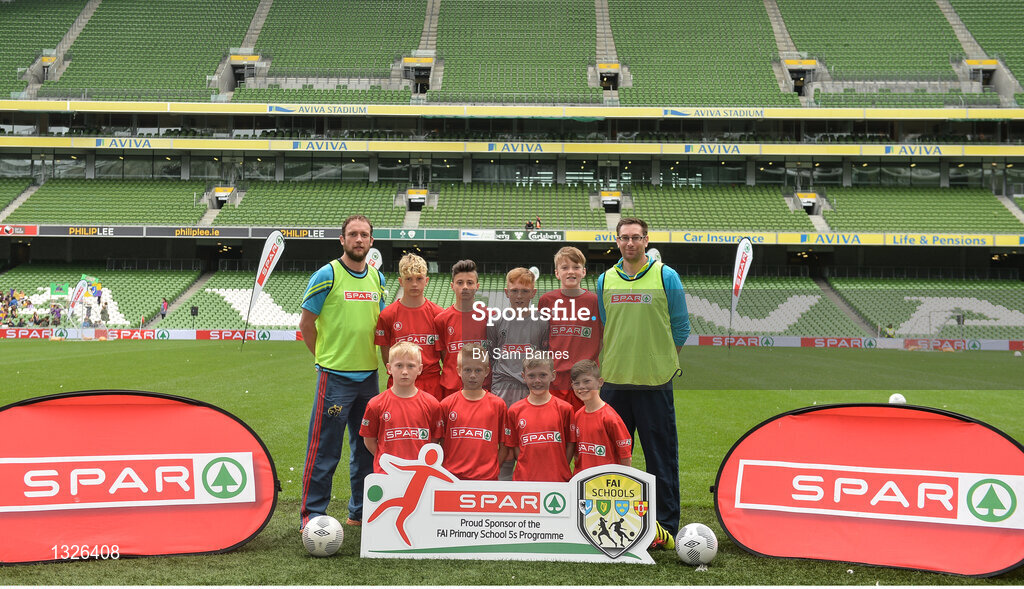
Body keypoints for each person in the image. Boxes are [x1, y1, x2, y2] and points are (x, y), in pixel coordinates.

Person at [596, 216, 689, 546]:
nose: (630, 243)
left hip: (654, 382)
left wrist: (662, 360)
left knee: (660, 456)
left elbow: (681, 327)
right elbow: (608, 325)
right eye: (624, 238)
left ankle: (664, 526)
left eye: (636, 237)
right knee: (613, 456)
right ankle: (609, 520)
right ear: (617, 241)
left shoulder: (666, 276)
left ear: (646, 240)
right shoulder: (605, 279)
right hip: (615, 383)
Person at [298, 214, 387, 530]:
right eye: (353, 234)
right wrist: (325, 359)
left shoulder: (378, 279)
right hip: (335, 379)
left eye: (364, 235)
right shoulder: (327, 275)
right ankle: (312, 515)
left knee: (367, 450)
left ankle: (360, 512)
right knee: (325, 451)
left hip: (368, 379)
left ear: (371, 241)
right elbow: (306, 325)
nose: (359, 240)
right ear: (342, 240)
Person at [488, 267, 549, 479]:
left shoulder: (543, 321)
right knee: (504, 441)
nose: (519, 296)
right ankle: (502, 483)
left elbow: (544, 355)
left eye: (524, 291)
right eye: (514, 291)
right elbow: (492, 354)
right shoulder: (496, 321)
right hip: (502, 388)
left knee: (528, 439)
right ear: (506, 292)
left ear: (533, 292)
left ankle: (528, 484)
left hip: (529, 390)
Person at [360, 341, 443, 473]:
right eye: (399, 365)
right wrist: (386, 462)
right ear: (389, 368)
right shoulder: (376, 404)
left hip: (420, 473)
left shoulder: (432, 404)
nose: (405, 371)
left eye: (411, 366)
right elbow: (369, 441)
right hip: (387, 473)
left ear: (420, 369)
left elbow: (434, 440)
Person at [539, 246, 602, 412]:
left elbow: (602, 338)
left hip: (585, 378)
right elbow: (542, 341)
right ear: (557, 273)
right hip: (555, 378)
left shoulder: (595, 302)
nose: (570, 272)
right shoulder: (547, 300)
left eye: (576, 267)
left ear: (584, 272)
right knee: (557, 427)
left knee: (585, 426)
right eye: (565, 268)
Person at [375, 253, 443, 399]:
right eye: (408, 279)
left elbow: (444, 354)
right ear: (400, 281)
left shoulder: (438, 314)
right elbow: (386, 355)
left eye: (419, 278)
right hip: (400, 383)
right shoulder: (388, 315)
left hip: (432, 383)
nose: (414, 284)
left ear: (427, 281)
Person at [438, 343, 509, 480]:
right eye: (467, 370)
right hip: (452, 479)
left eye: (478, 371)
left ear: (487, 371)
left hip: (486, 480)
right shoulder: (446, 404)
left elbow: (505, 446)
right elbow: (440, 441)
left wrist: (491, 469)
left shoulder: (498, 405)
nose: (472, 375)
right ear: (458, 370)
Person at [504, 354, 574, 482]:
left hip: (557, 479)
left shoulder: (565, 408)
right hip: (525, 480)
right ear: (523, 376)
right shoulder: (514, 410)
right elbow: (514, 445)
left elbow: (570, 444)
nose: (537, 380)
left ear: (553, 375)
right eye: (531, 376)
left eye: (543, 375)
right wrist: (527, 468)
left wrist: (562, 467)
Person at [433, 260, 488, 399]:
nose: (465, 287)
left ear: (477, 286)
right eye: (460, 283)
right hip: (452, 388)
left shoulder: (489, 317)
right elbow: (445, 355)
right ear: (452, 286)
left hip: (482, 387)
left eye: (470, 283)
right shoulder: (441, 320)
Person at [569, 360, 631, 472]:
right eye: (577, 383)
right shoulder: (577, 416)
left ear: (600, 382)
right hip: (582, 482)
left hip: (605, 484)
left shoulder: (610, 417)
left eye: (587, 381)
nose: (582, 387)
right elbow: (577, 455)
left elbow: (625, 457)